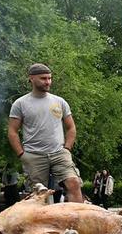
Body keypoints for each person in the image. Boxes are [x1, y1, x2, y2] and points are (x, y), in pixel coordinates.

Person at [7, 63, 84, 203]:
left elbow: (71, 127)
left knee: (74, 183)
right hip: (34, 155)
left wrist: (67, 148)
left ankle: (78, 223)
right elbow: (12, 131)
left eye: (49, 78)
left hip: (59, 153)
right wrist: (22, 155)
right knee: (38, 195)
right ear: (31, 78)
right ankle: (40, 224)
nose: (48, 81)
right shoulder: (20, 103)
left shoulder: (59, 101)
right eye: (43, 78)